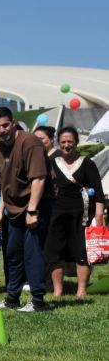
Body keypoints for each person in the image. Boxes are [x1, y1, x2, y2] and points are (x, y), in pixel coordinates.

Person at [0, 106, 54, 313]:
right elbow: (4, 183)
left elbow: (39, 178)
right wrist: (0, 211)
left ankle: (38, 300)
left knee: (32, 252)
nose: (2, 130)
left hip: (36, 205)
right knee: (12, 252)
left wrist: (32, 211)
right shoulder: (0, 148)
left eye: (5, 125)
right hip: (13, 208)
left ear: (13, 123)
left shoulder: (30, 142)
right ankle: (12, 298)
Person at [45, 126, 105, 300]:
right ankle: (58, 290)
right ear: (58, 143)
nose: (66, 145)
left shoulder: (87, 163)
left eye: (70, 141)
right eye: (63, 142)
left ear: (76, 142)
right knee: (55, 253)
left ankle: (81, 290)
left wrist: (98, 216)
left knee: (82, 252)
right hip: (57, 214)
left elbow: (99, 192)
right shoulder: (51, 163)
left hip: (82, 214)